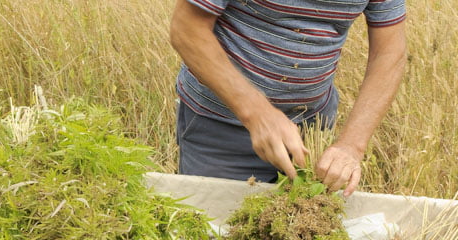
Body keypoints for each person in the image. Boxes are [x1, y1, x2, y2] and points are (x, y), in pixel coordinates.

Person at [169, 0, 406, 196]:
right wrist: (257, 114)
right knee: (214, 237)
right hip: (221, 127)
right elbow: (187, 29)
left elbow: (389, 53)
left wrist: (352, 145)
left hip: (312, 132)